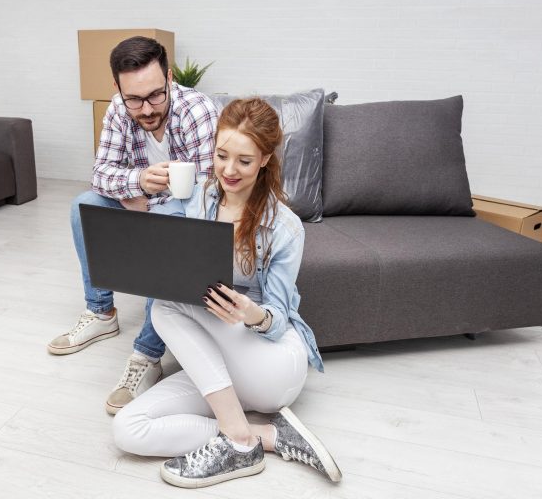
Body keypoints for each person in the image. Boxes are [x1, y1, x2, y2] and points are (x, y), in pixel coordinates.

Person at [111, 98, 342, 488]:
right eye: (221, 155)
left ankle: (236, 439)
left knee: (165, 306)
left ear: (266, 159)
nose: (229, 171)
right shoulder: (198, 198)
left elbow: (279, 316)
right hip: (220, 369)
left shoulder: (285, 227)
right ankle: (259, 437)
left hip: (271, 363)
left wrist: (252, 312)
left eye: (244, 161)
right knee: (128, 428)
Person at [46, 36, 219, 415]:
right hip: (144, 200)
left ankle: (147, 354)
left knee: (168, 222)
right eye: (134, 99)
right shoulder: (118, 109)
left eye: (156, 95)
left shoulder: (197, 110)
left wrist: (149, 201)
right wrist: (138, 182)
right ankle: (100, 313)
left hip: (181, 217)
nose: (146, 109)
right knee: (84, 205)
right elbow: (100, 175)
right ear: (117, 89)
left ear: (170, 78)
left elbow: (208, 192)